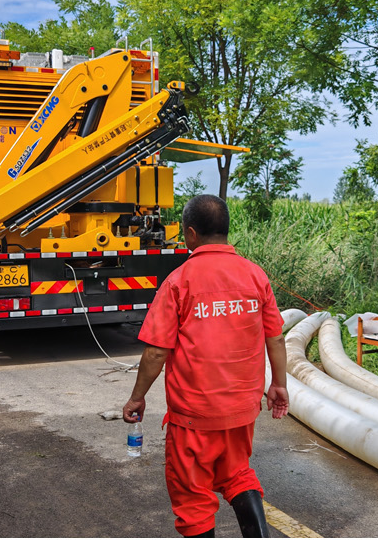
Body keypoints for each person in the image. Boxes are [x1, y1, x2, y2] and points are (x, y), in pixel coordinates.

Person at [122, 195, 290, 538]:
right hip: (241, 410)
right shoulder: (255, 276)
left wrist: (137, 397)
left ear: (191, 233)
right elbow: (275, 338)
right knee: (237, 473)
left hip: (193, 416)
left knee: (192, 497)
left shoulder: (179, 281)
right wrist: (278, 384)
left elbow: (156, 353)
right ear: (226, 230)